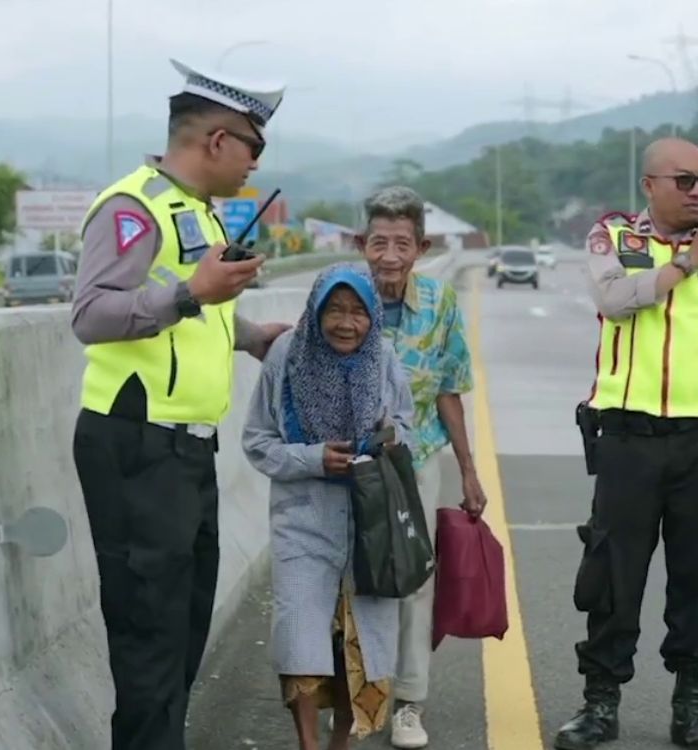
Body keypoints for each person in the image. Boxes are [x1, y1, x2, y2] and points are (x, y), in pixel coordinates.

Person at [69, 57, 293, 750]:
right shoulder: (132, 207)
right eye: (254, 146)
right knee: (149, 636)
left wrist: (252, 335)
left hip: (187, 449)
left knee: (182, 628)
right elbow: (92, 314)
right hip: (137, 445)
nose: (257, 162)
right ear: (217, 140)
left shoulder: (193, 211)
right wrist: (193, 292)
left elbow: (191, 317)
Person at [553, 137, 698, 750]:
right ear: (649, 185)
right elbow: (614, 300)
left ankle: (693, 710)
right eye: (684, 181)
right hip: (627, 439)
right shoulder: (614, 238)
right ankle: (600, 705)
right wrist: (684, 262)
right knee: (612, 576)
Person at [242, 262, 415, 750]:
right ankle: (307, 745)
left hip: (371, 526)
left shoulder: (383, 357)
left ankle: (340, 744)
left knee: (360, 649)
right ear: (315, 313)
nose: (345, 323)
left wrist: (384, 440)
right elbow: (257, 441)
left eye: (358, 312)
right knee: (300, 638)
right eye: (334, 311)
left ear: (373, 317)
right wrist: (313, 458)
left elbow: (408, 428)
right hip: (303, 521)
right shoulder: (284, 356)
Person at [354, 185, 486, 749]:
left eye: (400, 243)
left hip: (418, 459)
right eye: (378, 242)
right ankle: (361, 695)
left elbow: (452, 389)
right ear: (362, 243)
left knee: (412, 580)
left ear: (422, 247)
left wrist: (469, 471)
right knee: (357, 578)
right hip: (352, 462)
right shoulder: (342, 298)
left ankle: (409, 702)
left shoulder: (439, 303)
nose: (388, 255)